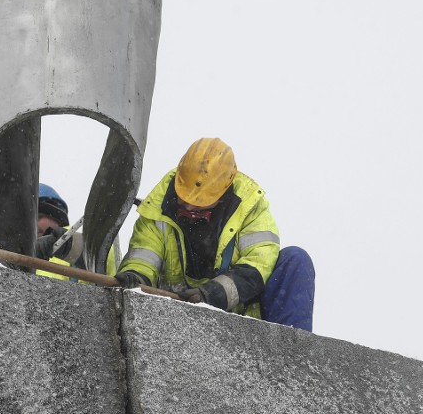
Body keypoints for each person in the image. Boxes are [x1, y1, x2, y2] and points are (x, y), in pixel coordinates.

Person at [115, 138, 315, 331]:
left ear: (224, 191)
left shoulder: (250, 207)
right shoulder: (157, 209)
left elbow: (259, 263)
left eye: (200, 201)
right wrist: (135, 277)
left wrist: (214, 293)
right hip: (173, 316)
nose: (190, 205)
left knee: (295, 260)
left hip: (242, 321)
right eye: (184, 199)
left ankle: (292, 354)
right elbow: (144, 256)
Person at [35, 183, 117, 279]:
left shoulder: (80, 241)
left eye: (38, 217)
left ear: (56, 217)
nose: (32, 225)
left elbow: (105, 256)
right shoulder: (15, 254)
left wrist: (63, 244)